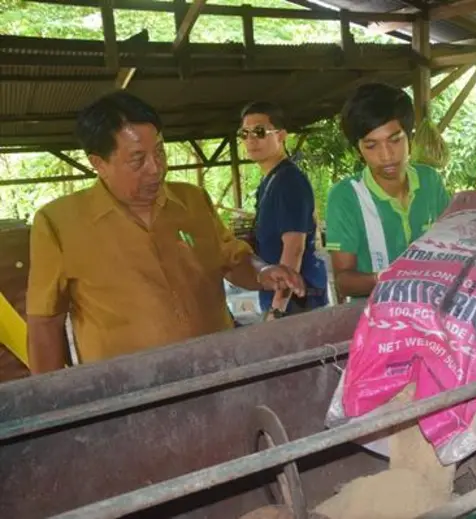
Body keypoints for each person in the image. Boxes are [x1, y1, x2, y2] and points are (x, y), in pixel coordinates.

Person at [26, 92, 304, 374]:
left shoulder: (193, 201)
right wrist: (50, 401)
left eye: (159, 151)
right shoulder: (59, 224)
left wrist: (263, 270)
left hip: (216, 372)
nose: (155, 168)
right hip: (128, 394)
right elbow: (45, 322)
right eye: (137, 159)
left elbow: (233, 259)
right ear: (98, 163)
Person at [325, 83, 450, 300]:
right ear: (358, 149)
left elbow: (452, 245)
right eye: (371, 145)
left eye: (395, 140)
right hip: (373, 315)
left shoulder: (430, 181)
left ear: (409, 136)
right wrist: (382, 278)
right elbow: (343, 281)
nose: (386, 156)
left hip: (431, 307)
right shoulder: (346, 196)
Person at [239, 102, 328, 320]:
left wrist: (277, 310)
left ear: (281, 135)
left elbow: (294, 247)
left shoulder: (288, 181)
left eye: (259, 132)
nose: (251, 139)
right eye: (245, 133)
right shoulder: (270, 181)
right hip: (286, 299)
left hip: (297, 301)